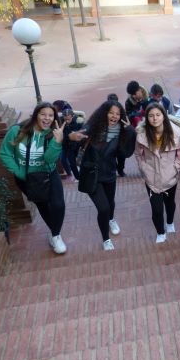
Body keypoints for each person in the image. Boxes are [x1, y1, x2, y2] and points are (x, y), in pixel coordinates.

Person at [0, 102, 67, 254]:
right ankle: (56, 236)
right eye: (43, 114)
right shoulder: (18, 131)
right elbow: (5, 153)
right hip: (27, 178)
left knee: (58, 205)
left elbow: (49, 159)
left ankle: (55, 234)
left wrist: (57, 142)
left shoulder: (53, 134)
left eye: (51, 115)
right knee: (43, 205)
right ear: (36, 115)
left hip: (48, 175)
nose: (47, 118)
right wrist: (19, 172)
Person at [69, 100, 136, 250]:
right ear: (104, 113)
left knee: (110, 202)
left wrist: (131, 131)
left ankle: (111, 219)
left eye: (117, 114)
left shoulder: (121, 132)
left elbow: (125, 153)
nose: (114, 116)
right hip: (92, 175)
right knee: (103, 208)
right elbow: (74, 143)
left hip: (109, 174)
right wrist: (71, 137)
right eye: (111, 112)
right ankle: (106, 239)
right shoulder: (92, 128)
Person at [135, 103, 180, 243]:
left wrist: (176, 167)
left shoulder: (176, 133)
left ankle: (170, 222)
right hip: (151, 179)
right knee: (157, 209)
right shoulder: (142, 134)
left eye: (158, 115)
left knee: (170, 204)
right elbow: (138, 154)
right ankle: (160, 232)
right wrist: (144, 168)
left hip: (170, 177)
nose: (155, 118)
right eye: (151, 116)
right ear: (147, 118)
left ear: (164, 116)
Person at [60, 108, 81, 182]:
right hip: (64, 145)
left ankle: (78, 177)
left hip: (73, 145)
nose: (67, 121)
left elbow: (81, 133)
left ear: (72, 116)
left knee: (73, 162)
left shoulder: (78, 122)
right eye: (65, 119)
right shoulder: (60, 121)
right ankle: (70, 174)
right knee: (63, 159)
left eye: (68, 119)